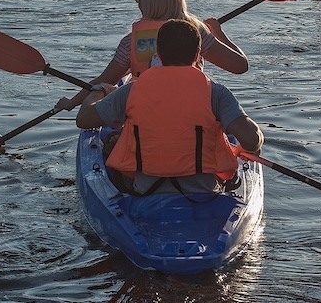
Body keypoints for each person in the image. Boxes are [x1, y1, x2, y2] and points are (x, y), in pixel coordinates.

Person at [76, 18, 264, 195]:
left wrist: (98, 90)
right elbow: (251, 139)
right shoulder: (217, 93)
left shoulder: (132, 90)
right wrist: (250, 145)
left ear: (158, 53)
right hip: (203, 191)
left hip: (145, 189)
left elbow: (84, 119)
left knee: (111, 144)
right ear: (198, 55)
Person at [56, 0, 248, 111]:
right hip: (191, 105)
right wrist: (218, 33)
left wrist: (71, 102)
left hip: (144, 108)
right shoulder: (195, 33)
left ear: (147, 4)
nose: (137, 2)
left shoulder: (131, 42)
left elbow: (103, 80)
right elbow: (240, 66)